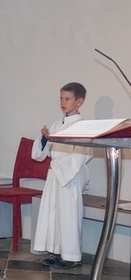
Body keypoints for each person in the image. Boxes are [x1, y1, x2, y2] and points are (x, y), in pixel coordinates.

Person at [32, 82, 92, 269]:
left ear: (79, 101)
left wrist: (63, 170)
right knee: (54, 213)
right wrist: (45, 139)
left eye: (67, 99)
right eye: (61, 98)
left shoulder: (83, 126)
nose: (63, 102)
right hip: (55, 174)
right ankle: (56, 251)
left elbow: (83, 154)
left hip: (70, 176)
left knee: (69, 215)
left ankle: (72, 256)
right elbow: (41, 154)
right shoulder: (57, 124)